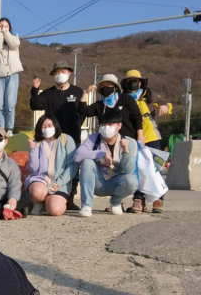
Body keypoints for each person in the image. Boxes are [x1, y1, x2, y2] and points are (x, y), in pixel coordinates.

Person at [30, 60, 84, 210]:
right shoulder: (47, 93)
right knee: (51, 166)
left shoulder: (78, 92)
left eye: (63, 72)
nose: (60, 75)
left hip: (72, 137)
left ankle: (70, 197)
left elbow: (82, 113)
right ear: (53, 75)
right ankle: (46, 196)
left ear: (69, 73)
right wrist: (35, 89)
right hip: (51, 138)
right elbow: (35, 105)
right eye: (57, 72)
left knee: (73, 169)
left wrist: (77, 125)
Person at [120, 69, 171, 214]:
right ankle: (138, 200)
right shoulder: (123, 98)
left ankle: (158, 199)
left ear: (141, 82)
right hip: (133, 138)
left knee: (155, 169)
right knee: (137, 170)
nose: (134, 83)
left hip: (151, 137)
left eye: (136, 80)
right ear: (125, 83)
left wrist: (165, 106)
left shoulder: (148, 95)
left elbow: (166, 104)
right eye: (130, 81)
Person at [73, 109, 138, 218]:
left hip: (117, 182)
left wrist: (126, 151)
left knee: (132, 181)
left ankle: (116, 202)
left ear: (119, 126)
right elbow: (77, 156)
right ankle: (86, 206)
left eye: (110, 124)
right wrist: (100, 153)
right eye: (103, 125)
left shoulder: (130, 142)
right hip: (98, 182)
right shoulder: (94, 138)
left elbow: (129, 170)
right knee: (87, 162)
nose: (105, 128)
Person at [25, 115, 77, 217]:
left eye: (49, 125)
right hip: (40, 180)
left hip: (59, 181)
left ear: (55, 126)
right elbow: (33, 168)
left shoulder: (66, 139)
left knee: (55, 211)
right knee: (37, 193)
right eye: (43, 126)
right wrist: (32, 150)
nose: (47, 128)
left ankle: (49, 202)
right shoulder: (37, 143)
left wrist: (60, 182)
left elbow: (72, 165)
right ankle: (38, 202)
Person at [79, 74, 143, 143]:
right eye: (102, 85)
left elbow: (137, 118)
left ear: (115, 87)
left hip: (128, 140)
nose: (105, 87)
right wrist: (86, 93)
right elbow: (83, 110)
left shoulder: (126, 99)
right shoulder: (99, 105)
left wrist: (140, 135)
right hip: (106, 142)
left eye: (108, 84)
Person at [0, 18, 22, 136]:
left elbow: (13, 45)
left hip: (13, 74)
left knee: (10, 104)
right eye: (1, 25)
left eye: (6, 26)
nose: (3, 27)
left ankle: (9, 129)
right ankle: (0, 128)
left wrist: (5, 32)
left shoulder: (15, 38)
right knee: (0, 104)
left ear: (9, 28)